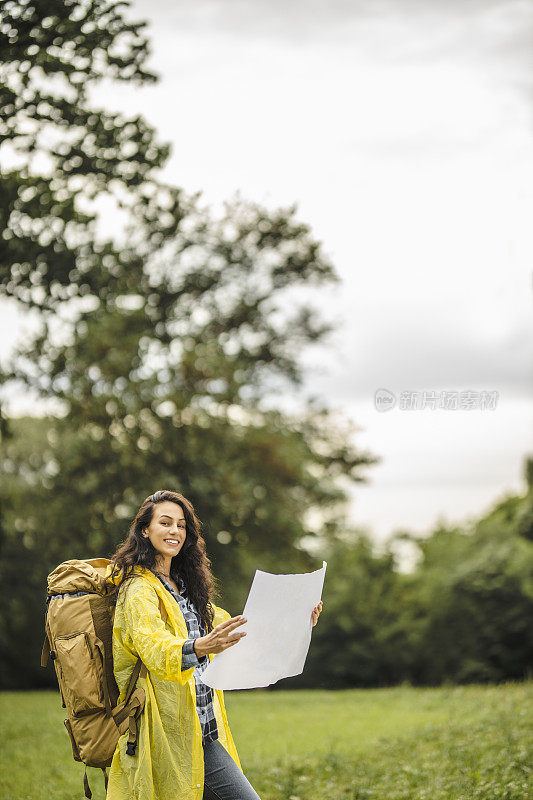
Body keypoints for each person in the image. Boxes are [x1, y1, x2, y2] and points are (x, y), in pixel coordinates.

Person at [104, 488, 323, 800]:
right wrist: (201, 647)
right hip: (165, 736)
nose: (174, 531)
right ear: (144, 529)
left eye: (181, 525)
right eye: (165, 523)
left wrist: (298, 620)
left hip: (201, 730)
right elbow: (154, 649)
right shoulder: (138, 590)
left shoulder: (183, 587)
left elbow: (236, 631)